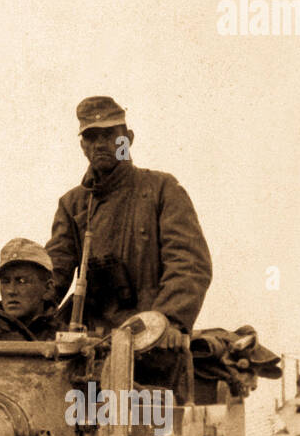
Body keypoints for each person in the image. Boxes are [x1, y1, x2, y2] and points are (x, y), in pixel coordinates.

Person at [46, 96, 211, 350]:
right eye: (91, 137)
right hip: (90, 344)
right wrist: (24, 316)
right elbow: (54, 275)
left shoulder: (162, 189)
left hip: (152, 342)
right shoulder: (73, 204)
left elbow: (189, 264)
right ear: (82, 146)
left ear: (128, 139)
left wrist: (168, 321)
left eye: (110, 134)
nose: (101, 144)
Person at [0, 238, 58, 339]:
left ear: (48, 289)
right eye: (5, 281)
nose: (11, 291)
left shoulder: (69, 344)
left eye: (21, 281)